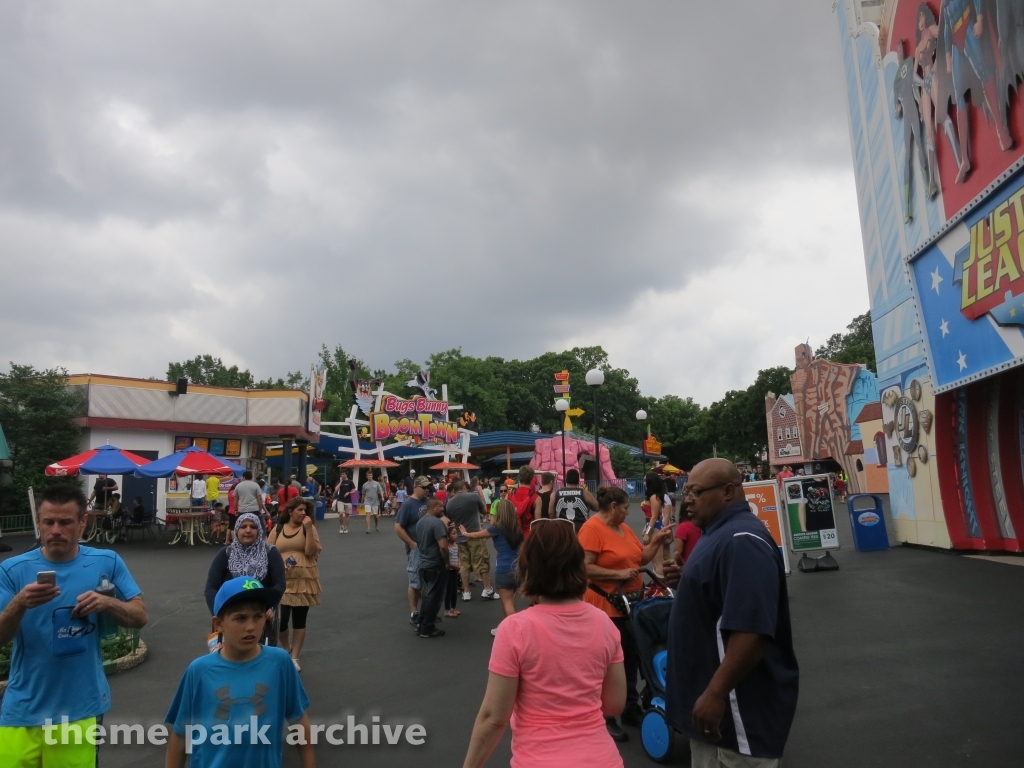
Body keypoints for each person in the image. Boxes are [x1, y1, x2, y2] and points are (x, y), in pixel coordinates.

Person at [0, 484, 148, 767]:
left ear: (83, 522)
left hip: (79, 709)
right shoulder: (12, 570)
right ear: (38, 523)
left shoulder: (106, 562)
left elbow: (140, 616)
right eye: (49, 522)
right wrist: (19, 603)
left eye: (65, 522)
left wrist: (108, 604)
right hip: (22, 709)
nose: (56, 530)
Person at [462, 517, 626, 768]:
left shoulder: (516, 629)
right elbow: (614, 703)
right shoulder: (603, 623)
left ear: (528, 567)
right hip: (602, 759)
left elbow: (494, 717)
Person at [667, 459, 798, 767]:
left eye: (696, 492)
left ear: (727, 491)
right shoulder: (718, 532)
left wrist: (715, 693)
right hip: (717, 721)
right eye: (686, 491)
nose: (687, 500)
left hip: (732, 723)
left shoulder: (741, 541)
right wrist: (687, 576)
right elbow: (719, 592)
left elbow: (752, 631)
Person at [165, 576, 314, 767]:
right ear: (218, 624)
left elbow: (299, 720)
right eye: (240, 618)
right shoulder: (199, 671)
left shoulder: (279, 663)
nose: (250, 626)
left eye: (258, 616)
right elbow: (180, 734)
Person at [579, 485, 674, 743]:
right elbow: (584, 568)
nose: (626, 512)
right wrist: (616, 575)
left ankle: (630, 706)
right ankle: (607, 716)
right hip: (605, 605)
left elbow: (639, 558)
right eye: (624, 508)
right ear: (613, 507)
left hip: (631, 603)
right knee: (610, 663)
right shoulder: (592, 529)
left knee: (633, 657)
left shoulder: (624, 528)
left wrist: (656, 540)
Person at [205, 512, 287, 645]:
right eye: (243, 527)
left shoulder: (270, 553)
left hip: (261, 616)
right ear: (236, 530)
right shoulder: (226, 554)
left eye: (253, 527)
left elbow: (280, 583)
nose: (248, 530)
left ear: (259, 530)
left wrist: (271, 606)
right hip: (231, 616)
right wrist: (218, 612)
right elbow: (211, 587)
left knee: (260, 658)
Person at [268, 498, 322, 672]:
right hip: (282, 581)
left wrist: (307, 528)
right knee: (282, 620)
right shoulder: (278, 528)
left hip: (303, 580)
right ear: (290, 511)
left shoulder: (309, 528)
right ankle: (286, 648)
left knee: (299, 619)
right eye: (299, 509)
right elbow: (268, 551)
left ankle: (295, 656)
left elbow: (310, 551)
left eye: (305, 510)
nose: (303, 513)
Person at [461, 498, 523, 636]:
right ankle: (504, 627)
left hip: (504, 568)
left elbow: (477, 535)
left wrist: (465, 533)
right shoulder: (516, 530)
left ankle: (514, 631)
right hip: (518, 568)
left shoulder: (496, 529)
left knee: (507, 602)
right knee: (510, 601)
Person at [445, 478, 497, 601]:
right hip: (475, 535)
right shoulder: (473, 497)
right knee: (482, 561)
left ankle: (466, 591)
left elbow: (449, 520)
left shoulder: (449, 503)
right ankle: (487, 589)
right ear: (463, 487)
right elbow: (484, 511)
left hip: (460, 537)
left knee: (464, 565)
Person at [395, 476, 432, 626]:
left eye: (428, 487)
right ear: (415, 486)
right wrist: (411, 543)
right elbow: (398, 526)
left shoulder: (429, 502)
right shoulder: (408, 504)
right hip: (417, 548)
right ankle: (414, 613)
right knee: (415, 581)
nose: (426, 490)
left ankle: (427, 612)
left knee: (428, 581)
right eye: (423, 487)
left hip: (430, 547)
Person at [415, 497, 450, 638]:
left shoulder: (420, 522)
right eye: (440, 506)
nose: (442, 509)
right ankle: (427, 627)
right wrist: (447, 562)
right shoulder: (437, 523)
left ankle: (421, 623)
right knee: (433, 597)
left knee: (427, 595)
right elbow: (443, 546)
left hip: (423, 563)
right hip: (435, 563)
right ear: (433, 507)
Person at [232, 470, 266, 545]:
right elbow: (259, 498)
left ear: (243, 477)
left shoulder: (238, 485)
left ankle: (239, 542)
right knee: (258, 526)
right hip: (254, 510)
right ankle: (261, 542)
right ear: (251, 477)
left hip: (242, 510)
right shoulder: (256, 485)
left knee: (241, 526)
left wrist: (236, 509)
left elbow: (235, 498)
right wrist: (260, 509)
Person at [508, 465, 539, 537]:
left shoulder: (509, 495)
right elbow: (537, 524)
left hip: (513, 536)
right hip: (529, 537)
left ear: (519, 477)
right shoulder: (536, 498)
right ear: (532, 479)